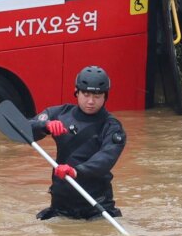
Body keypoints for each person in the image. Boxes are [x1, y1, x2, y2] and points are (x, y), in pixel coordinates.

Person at [30, 66, 127, 221]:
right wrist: (44, 126)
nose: (90, 101)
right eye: (86, 94)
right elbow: (23, 130)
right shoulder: (59, 114)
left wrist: (76, 171)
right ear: (76, 92)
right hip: (61, 205)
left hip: (96, 206)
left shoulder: (112, 127)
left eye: (97, 96)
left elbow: (105, 159)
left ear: (105, 96)